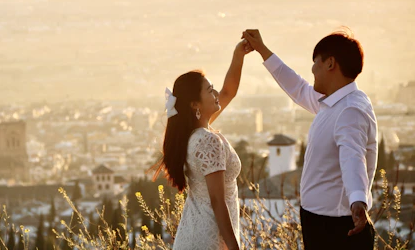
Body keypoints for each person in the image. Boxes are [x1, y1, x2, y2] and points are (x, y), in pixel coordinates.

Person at [242, 28, 377, 250]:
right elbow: (298, 88)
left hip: (338, 229)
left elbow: (353, 157)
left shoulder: (350, 110)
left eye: (316, 62)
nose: (312, 69)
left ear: (330, 63)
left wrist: (357, 201)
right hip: (321, 223)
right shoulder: (334, 102)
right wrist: (263, 50)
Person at [153, 39, 253, 250]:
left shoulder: (191, 135)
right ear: (195, 104)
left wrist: (238, 55)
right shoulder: (208, 140)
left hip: (193, 234)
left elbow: (228, 92)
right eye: (209, 90)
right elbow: (217, 201)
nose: (215, 93)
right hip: (210, 239)